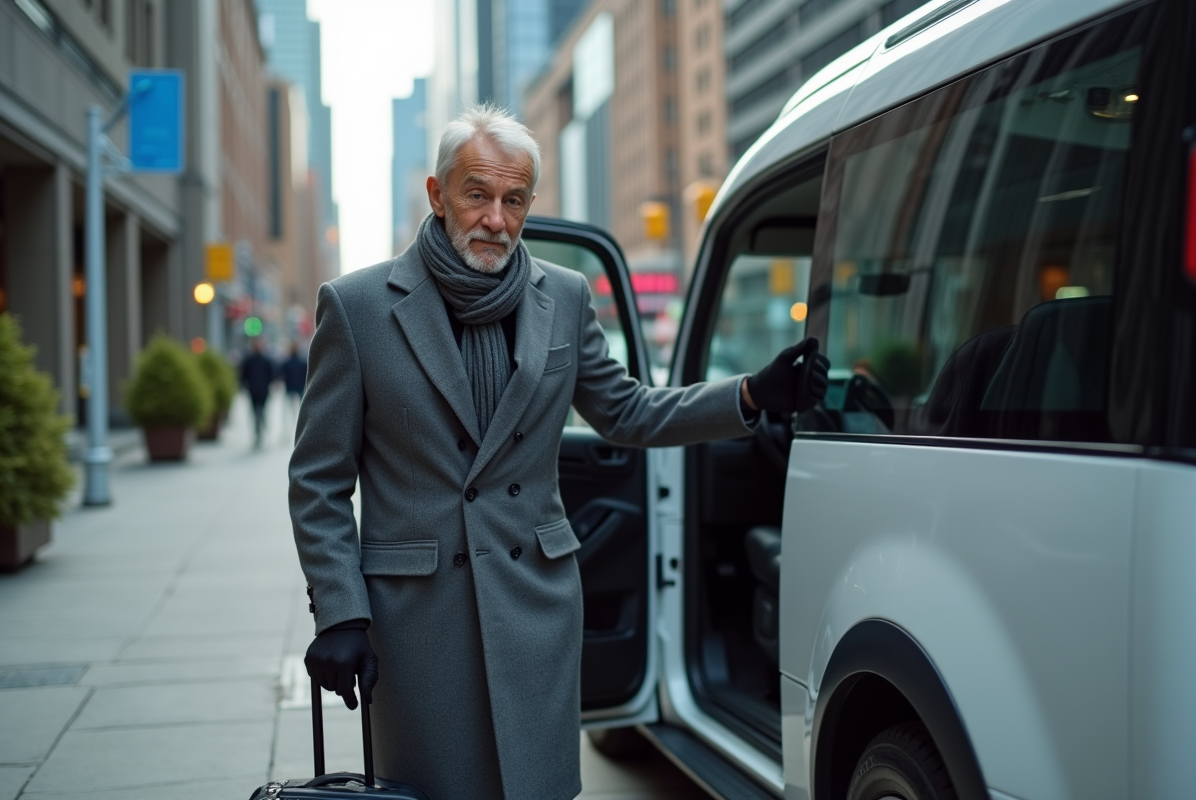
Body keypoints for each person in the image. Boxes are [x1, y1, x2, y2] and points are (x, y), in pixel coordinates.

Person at [289, 105, 829, 800]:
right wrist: (340, 610)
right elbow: (319, 480)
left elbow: (627, 411)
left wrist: (750, 394)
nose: (496, 219)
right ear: (437, 194)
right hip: (418, 621)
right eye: (477, 195)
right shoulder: (358, 306)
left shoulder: (565, 296)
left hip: (534, 606)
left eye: (514, 200)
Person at [240, 338, 274, 448]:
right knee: (256, 412)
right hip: (254, 390)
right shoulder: (249, 360)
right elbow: (243, 375)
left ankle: (261, 429)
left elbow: (271, 374)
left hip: (262, 390)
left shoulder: (265, 360)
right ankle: (258, 430)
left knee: (262, 411)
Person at [278, 342, 307, 439]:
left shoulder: (287, 362)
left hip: (289, 388)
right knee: (301, 410)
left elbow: (281, 375)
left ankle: (286, 430)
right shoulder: (303, 362)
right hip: (300, 388)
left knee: (286, 411)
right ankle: (302, 429)